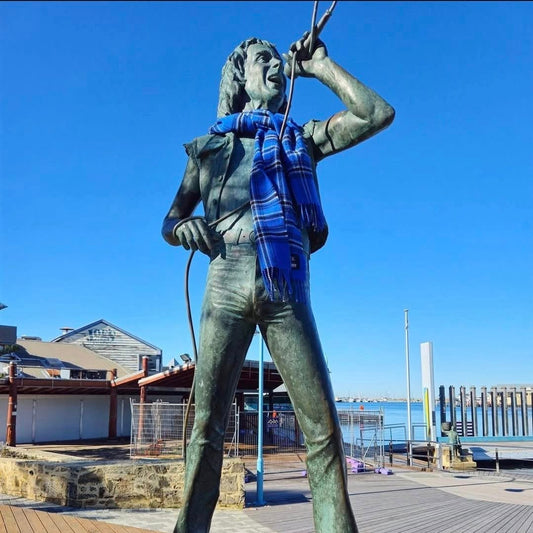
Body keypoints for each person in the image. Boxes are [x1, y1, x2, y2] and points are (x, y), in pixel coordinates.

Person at [162, 34, 394, 533]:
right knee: (205, 426)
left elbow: (376, 113)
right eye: (262, 60)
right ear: (240, 80)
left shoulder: (302, 138)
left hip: (285, 287)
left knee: (324, 431)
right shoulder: (208, 149)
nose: (275, 65)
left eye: (277, 59)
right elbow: (171, 218)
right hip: (223, 280)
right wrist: (183, 227)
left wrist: (323, 67)